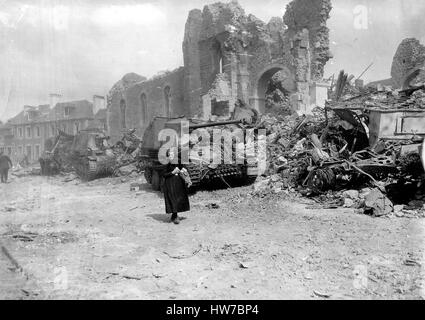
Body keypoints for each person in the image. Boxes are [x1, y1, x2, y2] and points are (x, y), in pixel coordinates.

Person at [161, 149, 191, 224]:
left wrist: (184, 170)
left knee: (179, 198)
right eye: (170, 154)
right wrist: (172, 172)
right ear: (167, 155)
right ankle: (175, 216)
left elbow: (183, 167)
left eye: (173, 154)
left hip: (178, 182)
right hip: (170, 183)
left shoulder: (178, 161)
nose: (172, 156)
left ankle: (174, 215)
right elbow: (164, 175)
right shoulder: (165, 163)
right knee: (173, 199)